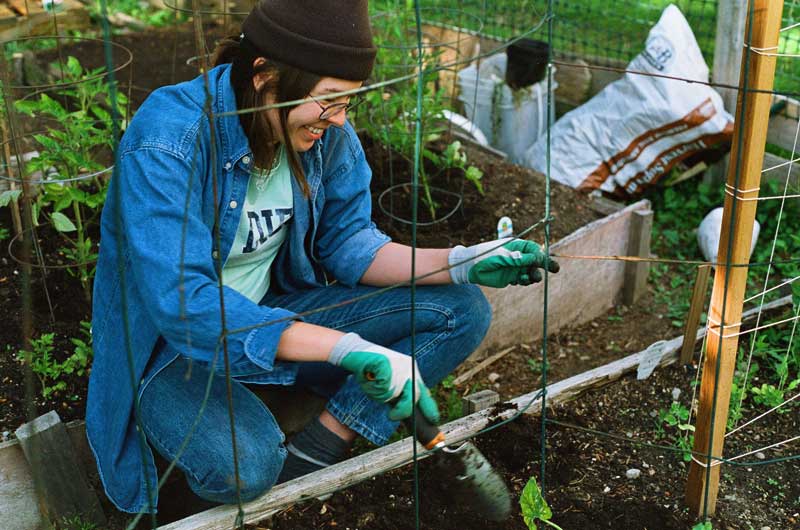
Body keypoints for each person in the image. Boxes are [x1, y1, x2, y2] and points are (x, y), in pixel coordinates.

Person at [86, 0, 559, 514]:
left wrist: (464, 259)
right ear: (265, 76)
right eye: (329, 102)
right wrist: (346, 349)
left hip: (273, 314)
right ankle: (194, 489)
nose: (338, 121)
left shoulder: (322, 134)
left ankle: (319, 448)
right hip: (173, 353)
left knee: (461, 309)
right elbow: (187, 305)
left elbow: (350, 242)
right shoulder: (170, 139)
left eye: (348, 104)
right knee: (244, 467)